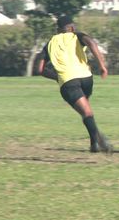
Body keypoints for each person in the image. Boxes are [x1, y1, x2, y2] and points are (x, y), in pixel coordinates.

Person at [36, 15, 112, 154]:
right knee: (87, 111)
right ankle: (94, 143)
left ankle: (98, 138)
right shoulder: (77, 35)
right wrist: (102, 65)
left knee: (86, 113)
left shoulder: (50, 43)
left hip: (68, 82)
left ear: (58, 30)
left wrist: (57, 77)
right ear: (71, 27)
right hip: (86, 79)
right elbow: (92, 43)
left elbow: (40, 69)